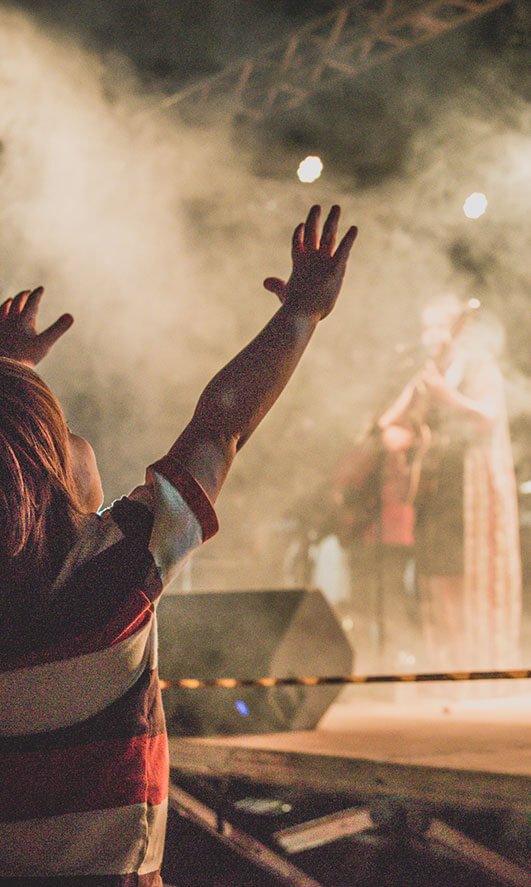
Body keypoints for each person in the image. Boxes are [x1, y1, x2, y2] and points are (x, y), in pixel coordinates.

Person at [0, 204, 357, 884]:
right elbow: (223, 423)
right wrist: (301, 313)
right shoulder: (118, 573)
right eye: (67, 437)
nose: (82, 443)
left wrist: (9, 371)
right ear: (46, 476)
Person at [377, 295, 522, 672]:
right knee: (437, 572)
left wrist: (449, 397)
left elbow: (489, 416)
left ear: (458, 329)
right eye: (426, 328)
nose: (430, 336)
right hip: (435, 487)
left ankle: (479, 662)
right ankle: (447, 662)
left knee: (467, 571)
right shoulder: (430, 373)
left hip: (470, 481)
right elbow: (389, 420)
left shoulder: (479, 366)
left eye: (438, 327)